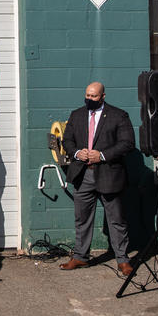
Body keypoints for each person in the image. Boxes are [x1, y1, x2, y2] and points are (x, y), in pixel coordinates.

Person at [60, 82, 135, 275]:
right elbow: (67, 140)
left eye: (93, 96)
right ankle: (80, 257)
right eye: (87, 95)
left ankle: (122, 259)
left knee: (116, 219)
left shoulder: (119, 115)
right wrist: (77, 153)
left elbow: (127, 143)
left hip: (109, 174)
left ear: (102, 96)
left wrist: (101, 155)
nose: (89, 99)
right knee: (82, 218)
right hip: (82, 174)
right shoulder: (77, 115)